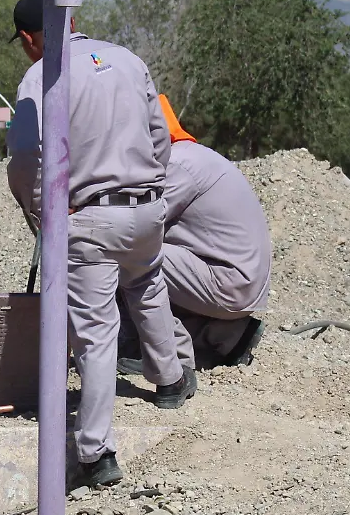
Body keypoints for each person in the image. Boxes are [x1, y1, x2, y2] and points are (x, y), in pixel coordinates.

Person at [5, 0, 195, 489]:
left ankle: (95, 452)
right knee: (147, 283)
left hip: (91, 218)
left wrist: (41, 211)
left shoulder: (40, 74)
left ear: (28, 38)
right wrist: (146, 183)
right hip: (148, 207)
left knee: (95, 333)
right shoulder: (128, 60)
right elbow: (161, 136)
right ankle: (171, 380)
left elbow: (25, 159)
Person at [116, 96, 272, 374]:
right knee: (142, 254)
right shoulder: (194, 157)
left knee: (125, 253)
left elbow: (135, 225)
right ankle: (228, 336)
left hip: (229, 283)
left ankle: (159, 353)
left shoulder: (178, 165)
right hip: (237, 282)